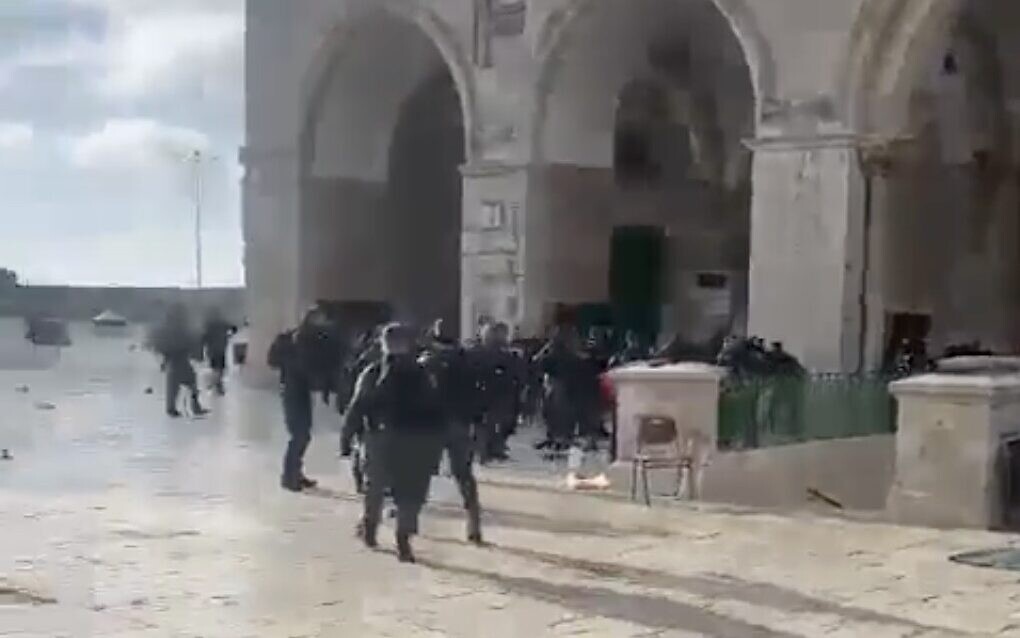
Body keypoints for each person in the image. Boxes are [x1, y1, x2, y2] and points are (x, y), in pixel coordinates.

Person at [341, 323, 444, 563]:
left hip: (380, 437)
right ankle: (404, 539)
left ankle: (370, 529)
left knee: (374, 486)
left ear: (384, 344)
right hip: (416, 439)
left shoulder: (373, 372)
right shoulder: (423, 373)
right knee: (410, 491)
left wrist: (346, 437)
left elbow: (357, 406)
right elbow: (435, 409)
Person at [419, 319, 483, 544]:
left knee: (420, 471)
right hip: (461, 422)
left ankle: (410, 518)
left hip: (433, 423)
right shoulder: (469, 360)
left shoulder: (427, 361)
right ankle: (474, 522)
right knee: (463, 474)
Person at [268, 307, 338, 493]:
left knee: (303, 434)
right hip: (292, 389)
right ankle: (289, 477)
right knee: (299, 435)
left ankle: (295, 473)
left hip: (302, 389)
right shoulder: (291, 339)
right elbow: (273, 360)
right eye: (318, 320)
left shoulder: (316, 340)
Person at [471, 322, 523, 463]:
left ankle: (489, 449)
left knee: (489, 423)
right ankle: (489, 450)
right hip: (494, 393)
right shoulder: (503, 354)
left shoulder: (481, 352)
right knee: (490, 423)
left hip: (491, 393)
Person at [154, 303, 207, 418]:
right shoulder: (176, 328)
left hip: (176, 360)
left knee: (181, 384)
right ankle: (187, 408)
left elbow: (160, 345)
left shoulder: (171, 327)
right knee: (184, 384)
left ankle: (180, 408)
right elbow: (187, 342)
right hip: (176, 359)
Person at [201, 307, 236, 396]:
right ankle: (217, 385)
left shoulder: (209, 324)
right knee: (220, 369)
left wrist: (203, 345)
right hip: (220, 349)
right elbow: (234, 328)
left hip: (212, 350)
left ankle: (215, 384)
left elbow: (204, 337)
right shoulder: (222, 323)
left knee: (215, 368)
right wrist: (229, 335)